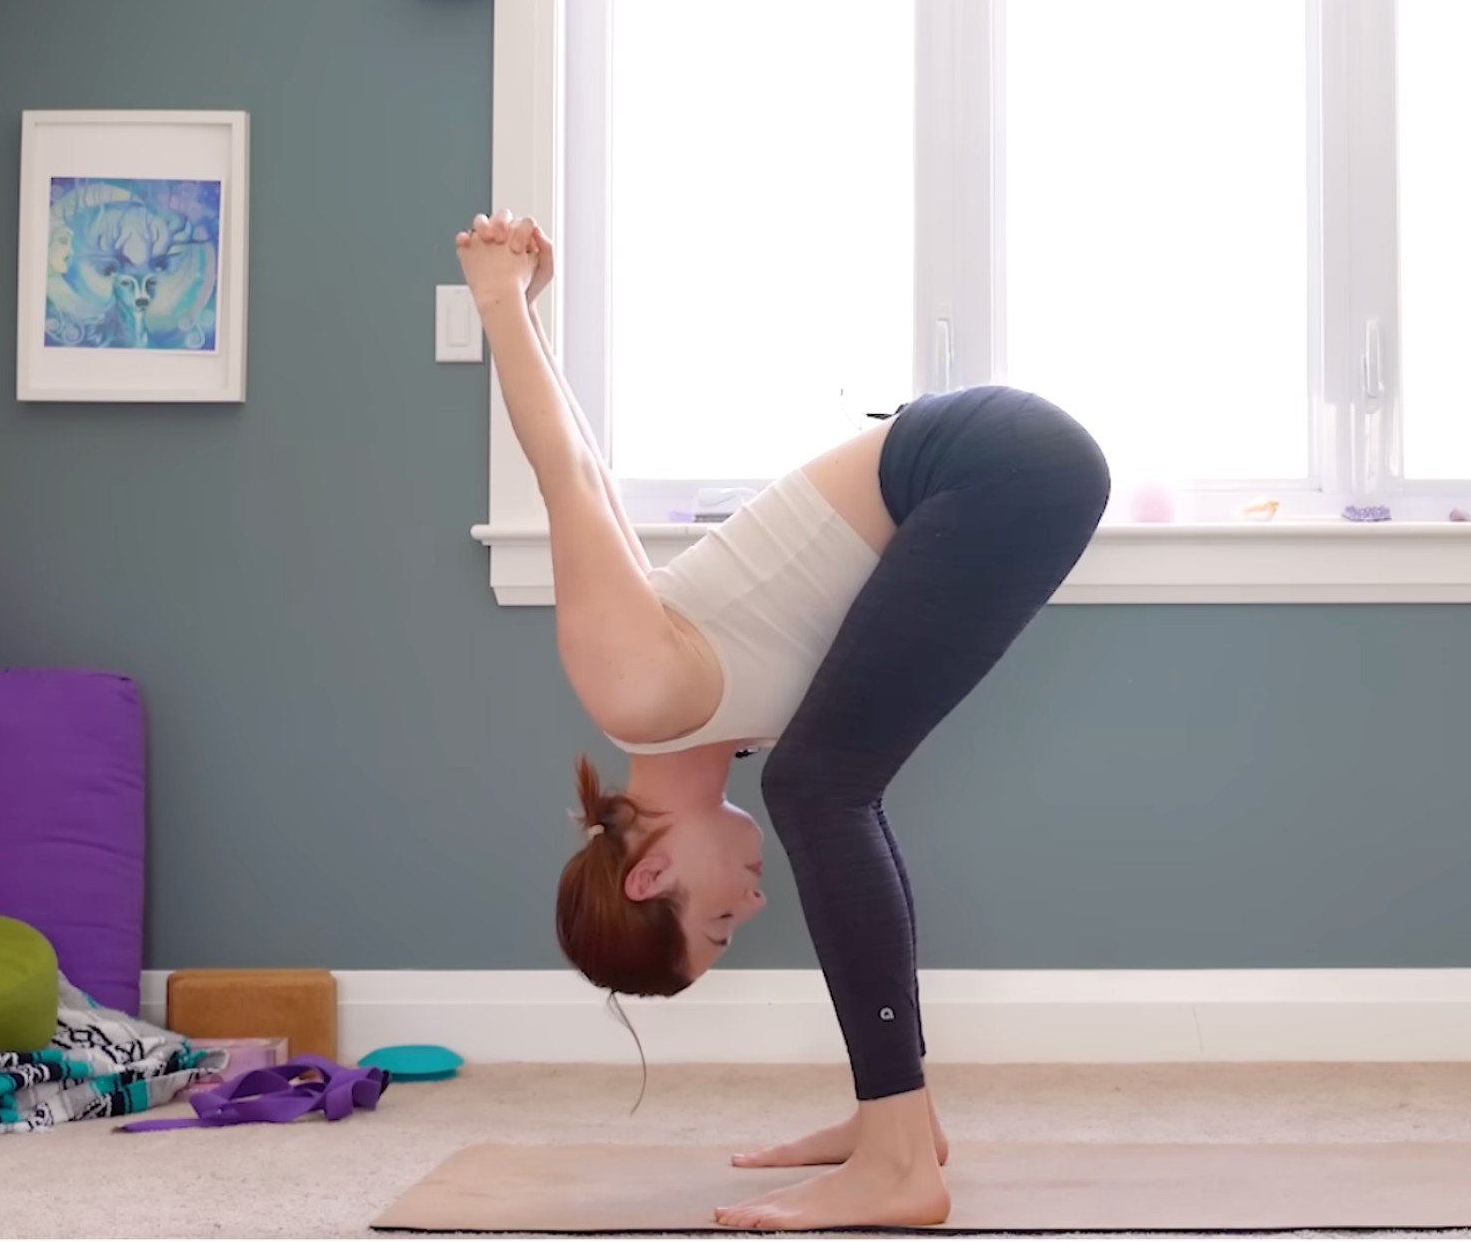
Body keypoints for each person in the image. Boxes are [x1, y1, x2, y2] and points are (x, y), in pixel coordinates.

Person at [453, 211, 1109, 1230]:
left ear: (651, 873)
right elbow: (606, 495)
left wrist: (500, 302)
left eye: (717, 922)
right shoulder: (704, 726)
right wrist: (536, 316)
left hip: (995, 463)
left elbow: (572, 479)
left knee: (817, 787)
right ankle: (898, 1125)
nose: (750, 912)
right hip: (1000, 460)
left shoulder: (634, 691)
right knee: (821, 779)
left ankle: (897, 1159)